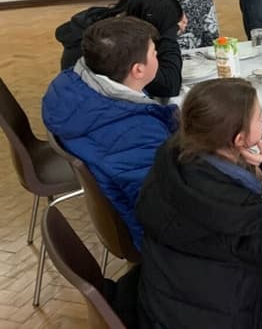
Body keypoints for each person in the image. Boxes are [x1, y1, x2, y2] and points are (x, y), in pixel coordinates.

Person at [136, 78, 262, 328]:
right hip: (226, 315)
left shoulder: (174, 153)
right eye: (258, 117)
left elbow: (217, 180)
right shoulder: (231, 213)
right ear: (240, 139)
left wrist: (251, 173)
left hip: (171, 298)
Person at [43, 17, 180, 250]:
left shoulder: (69, 83)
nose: (158, 57)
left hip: (121, 198)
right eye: (155, 53)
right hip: (155, 239)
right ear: (138, 70)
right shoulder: (137, 132)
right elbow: (168, 212)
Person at [55, 0, 186, 98]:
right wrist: (170, 32)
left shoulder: (104, 20)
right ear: (149, 24)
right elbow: (169, 85)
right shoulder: (115, 44)